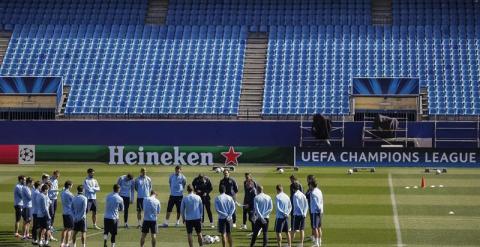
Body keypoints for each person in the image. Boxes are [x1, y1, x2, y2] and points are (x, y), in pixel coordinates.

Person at [309, 181, 324, 247]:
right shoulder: (319, 191)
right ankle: (319, 241)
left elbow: (315, 202)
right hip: (320, 212)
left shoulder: (313, 192)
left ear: (312, 185)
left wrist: (318, 208)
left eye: (309, 185)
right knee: (319, 227)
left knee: (315, 228)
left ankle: (316, 243)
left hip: (315, 211)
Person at [61, 180, 74, 247]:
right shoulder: (70, 194)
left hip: (64, 212)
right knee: (70, 229)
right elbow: (74, 202)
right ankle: (67, 243)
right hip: (70, 213)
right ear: (69, 186)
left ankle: (62, 243)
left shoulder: (62, 193)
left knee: (65, 228)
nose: (72, 186)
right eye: (71, 185)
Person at [31, 180, 41, 245]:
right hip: (37, 211)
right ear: (39, 186)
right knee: (37, 226)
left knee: (35, 226)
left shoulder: (33, 191)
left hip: (34, 210)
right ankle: (35, 239)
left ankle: (34, 239)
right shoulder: (37, 193)